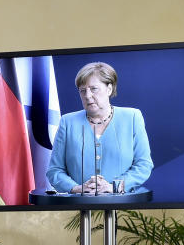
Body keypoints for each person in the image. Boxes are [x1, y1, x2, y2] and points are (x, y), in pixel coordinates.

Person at [46, 62, 152, 194]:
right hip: (77, 205)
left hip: (122, 206)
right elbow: (55, 170)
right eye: (82, 90)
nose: (87, 95)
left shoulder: (132, 117)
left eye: (93, 89)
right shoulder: (67, 122)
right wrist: (76, 188)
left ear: (109, 89)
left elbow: (144, 165)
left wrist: (113, 187)